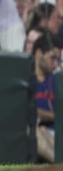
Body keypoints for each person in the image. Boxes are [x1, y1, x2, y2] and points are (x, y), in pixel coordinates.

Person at [31, 33, 61, 163]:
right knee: (37, 131)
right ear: (39, 53)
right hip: (38, 132)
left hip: (57, 132)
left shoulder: (57, 79)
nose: (55, 64)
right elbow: (30, 112)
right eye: (52, 58)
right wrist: (54, 116)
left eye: (58, 60)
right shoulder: (26, 78)